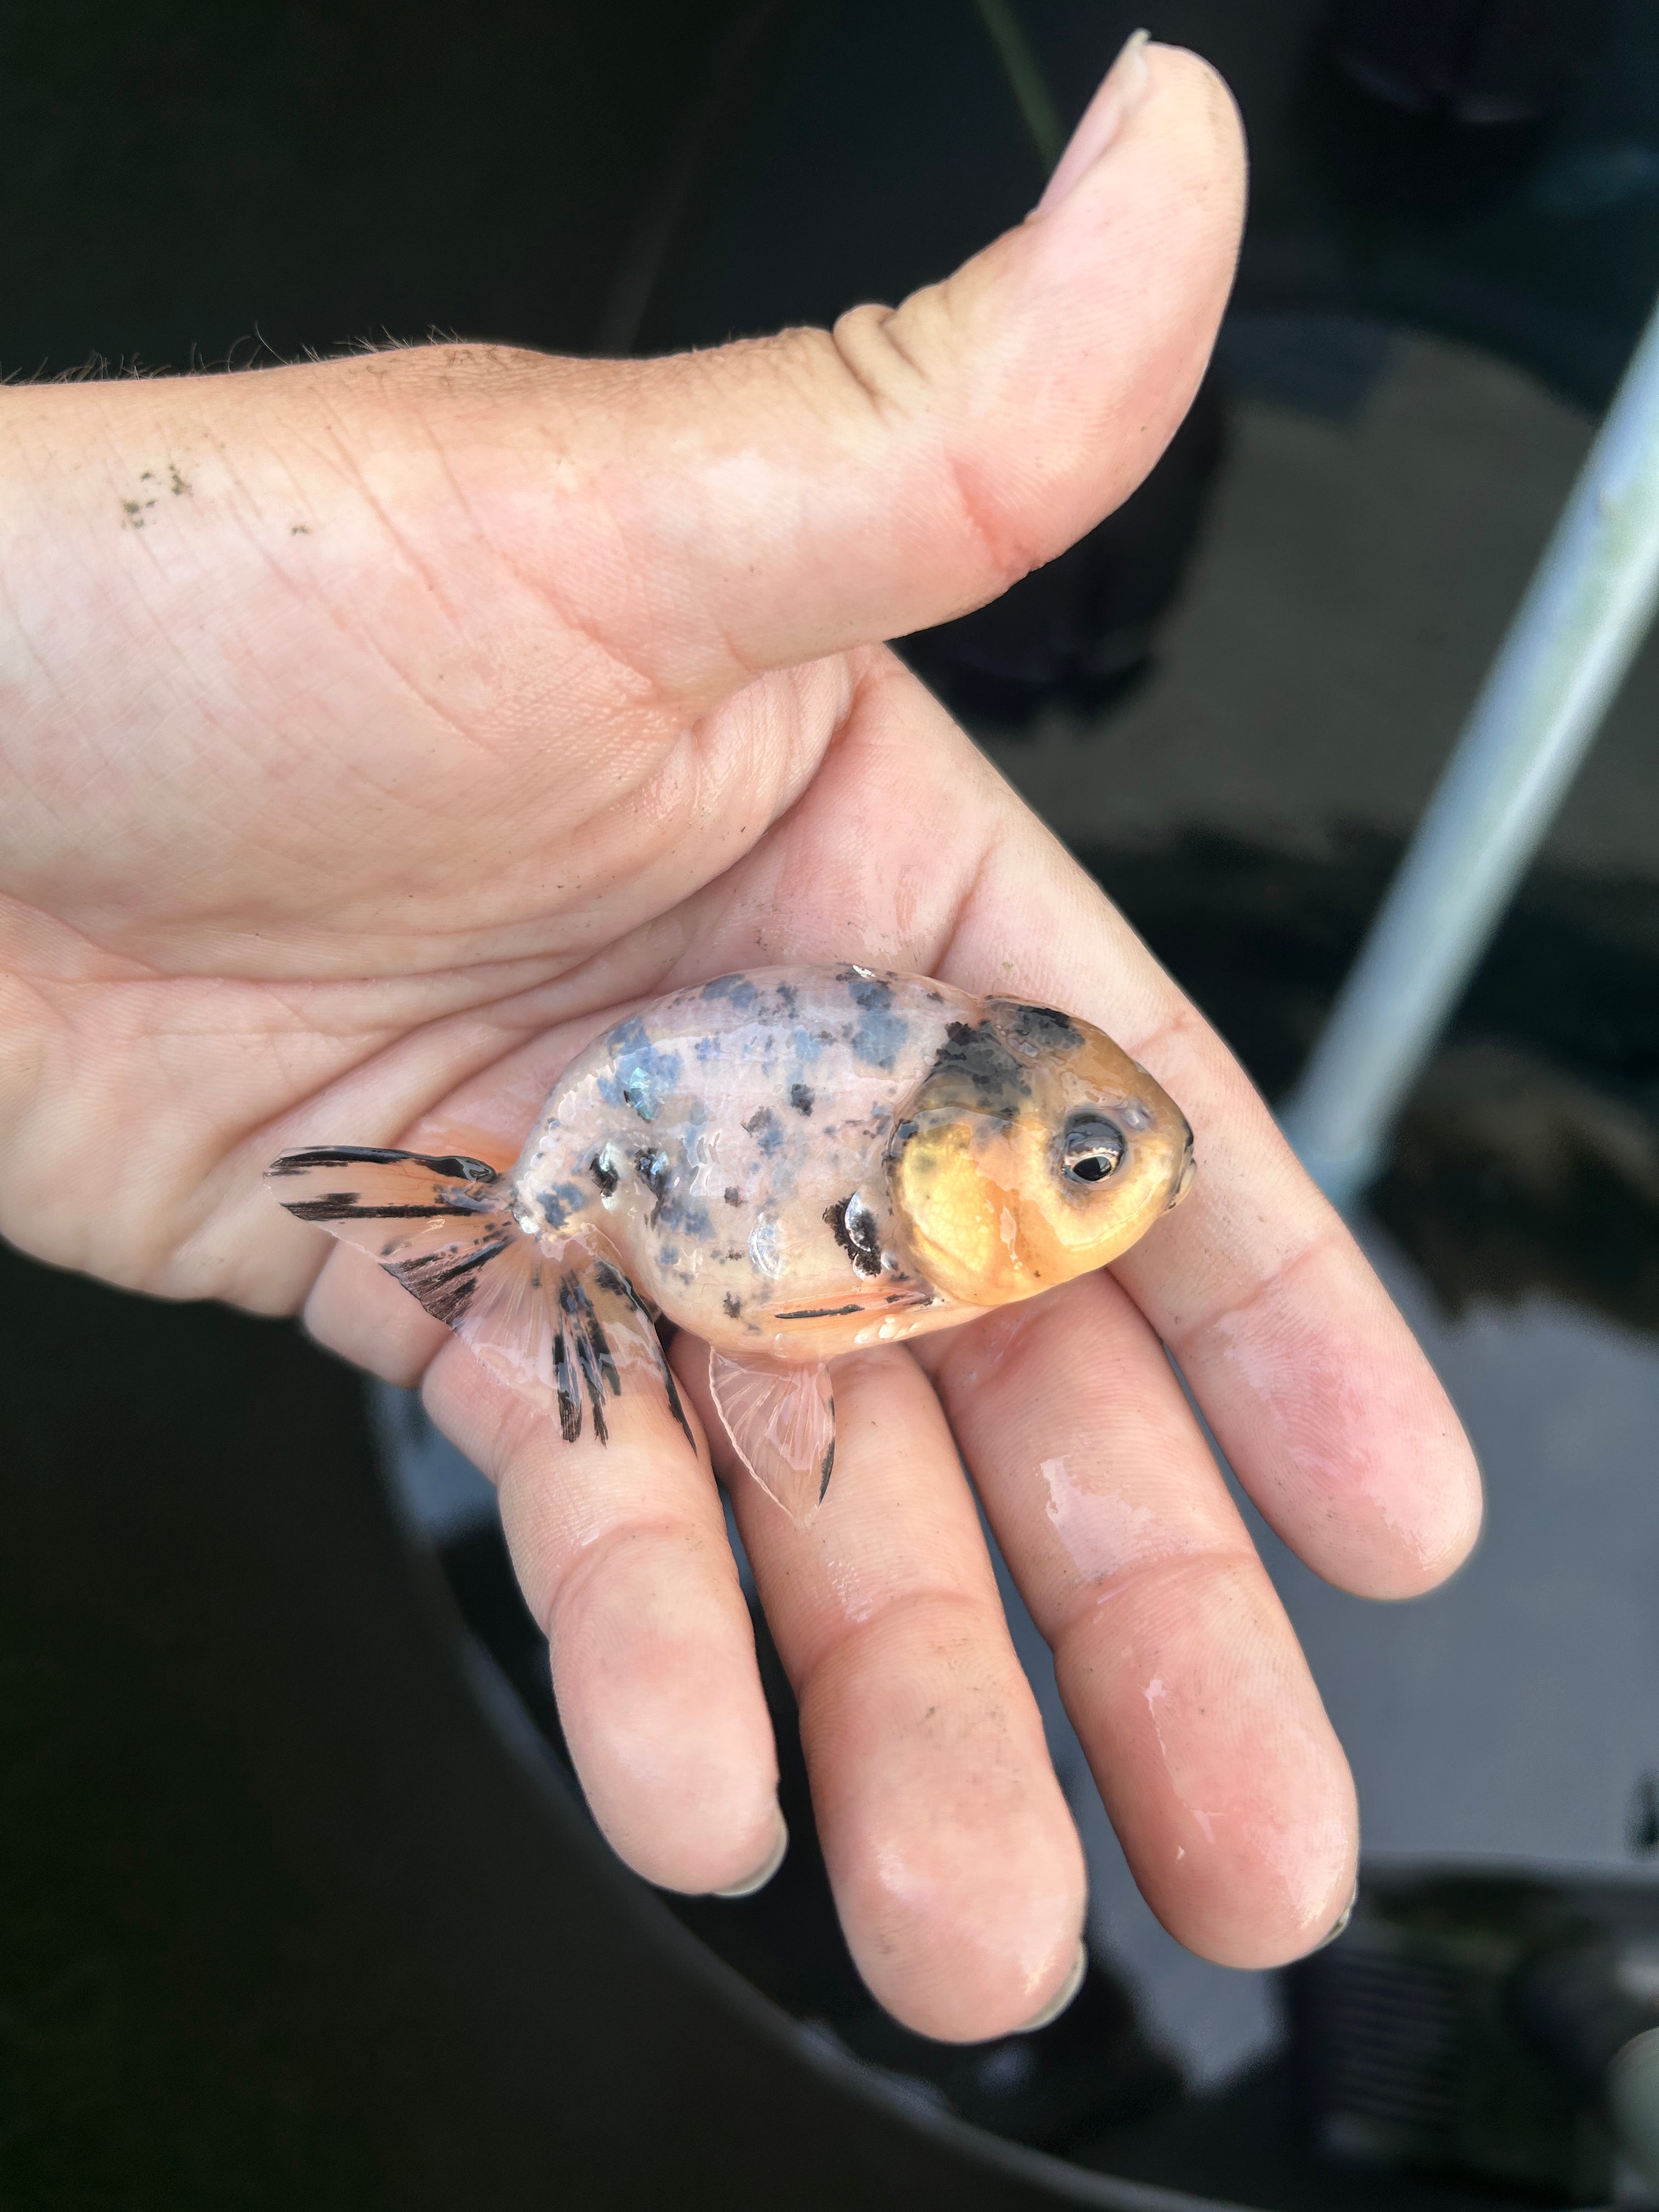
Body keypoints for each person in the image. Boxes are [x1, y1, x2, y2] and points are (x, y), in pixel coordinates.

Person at [0, 39, 1479, 2044]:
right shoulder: (856, 1164)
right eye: (1090, 1162)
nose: (1132, 1183)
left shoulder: (913, 1169)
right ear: (964, 1162)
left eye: (1102, 1160)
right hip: (636, 1190)